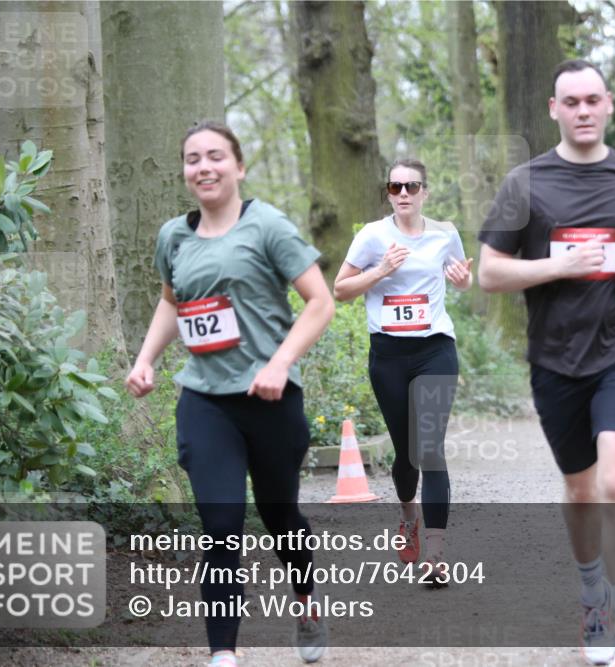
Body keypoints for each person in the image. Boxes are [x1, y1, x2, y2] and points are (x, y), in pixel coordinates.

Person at [478, 59, 615, 666]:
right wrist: (556, 266)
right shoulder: (525, 183)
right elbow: (489, 272)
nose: (584, 111)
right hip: (554, 359)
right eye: (572, 102)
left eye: (593, 99)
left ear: (609, 103)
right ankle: (593, 593)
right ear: (554, 110)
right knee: (579, 488)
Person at [125, 121, 335, 666]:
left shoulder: (268, 226)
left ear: (238, 167)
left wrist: (280, 364)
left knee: (280, 517)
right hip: (205, 400)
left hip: (270, 400)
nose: (204, 167)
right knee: (220, 528)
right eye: (193, 158)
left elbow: (320, 303)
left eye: (216, 156)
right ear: (184, 172)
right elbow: (172, 302)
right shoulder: (174, 236)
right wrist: (145, 360)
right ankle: (224, 654)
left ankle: (306, 602)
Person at [333, 158, 472, 583]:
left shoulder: (445, 234)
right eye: (396, 187)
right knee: (406, 453)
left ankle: (436, 555)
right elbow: (340, 289)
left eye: (412, 186)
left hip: (435, 349)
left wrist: (463, 280)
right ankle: (408, 516)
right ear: (388, 193)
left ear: (425, 191)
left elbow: (462, 277)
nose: (404, 194)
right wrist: (381, 271)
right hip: (388, 355)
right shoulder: (372, 236)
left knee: (430, 449)